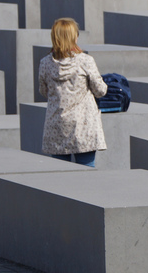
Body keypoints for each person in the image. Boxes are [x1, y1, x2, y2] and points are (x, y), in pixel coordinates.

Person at [38, 17, 108, 168]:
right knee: (87, 171)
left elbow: (44, 91)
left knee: (61, 175)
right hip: (83, 126)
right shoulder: (86, 61)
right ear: (74, 37)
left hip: (56, 126)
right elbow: (101, 90)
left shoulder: (44, 63)